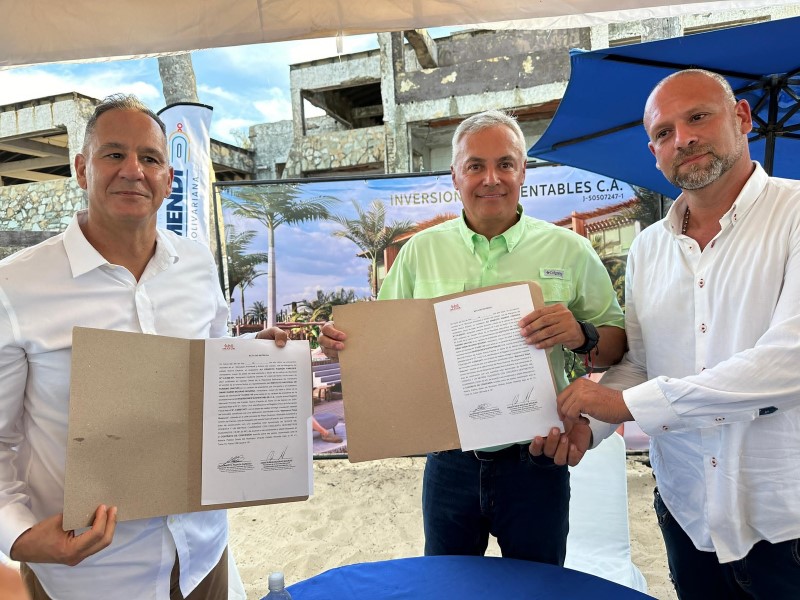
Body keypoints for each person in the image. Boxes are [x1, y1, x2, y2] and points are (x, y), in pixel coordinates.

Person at [0, 94, 286, 600]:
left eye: (150, 158)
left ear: (168, 179)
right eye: (114, 154)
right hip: (91, 577)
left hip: (203, 558)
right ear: (81, 169)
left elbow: (210, 366)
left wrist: (249, 356)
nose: (133, 170)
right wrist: (19, 535)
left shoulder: (196, 265)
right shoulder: (16, 286)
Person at [319, 110, 626, 564]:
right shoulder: (420, 252)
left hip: (538, 459)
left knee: (536, 589)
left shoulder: (571, 250)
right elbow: (381, 344)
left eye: (505, 164)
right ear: (455, 176)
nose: (491, 179)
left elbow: (617, 345)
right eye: (475, 166)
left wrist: (582, 334)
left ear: (523, 171)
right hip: (449, 463)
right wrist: (342, 345)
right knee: (448, 587)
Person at [556, 69, 800, 599]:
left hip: (785, 520)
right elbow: (642, 364)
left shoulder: (795, 213)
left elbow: (789, 362)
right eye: (663, 132)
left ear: (741, 118)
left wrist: (626, 405)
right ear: (654, 153)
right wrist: (589, 428)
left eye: (698, 117)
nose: (682, 139)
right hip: (686, 511)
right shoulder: (648, 248)